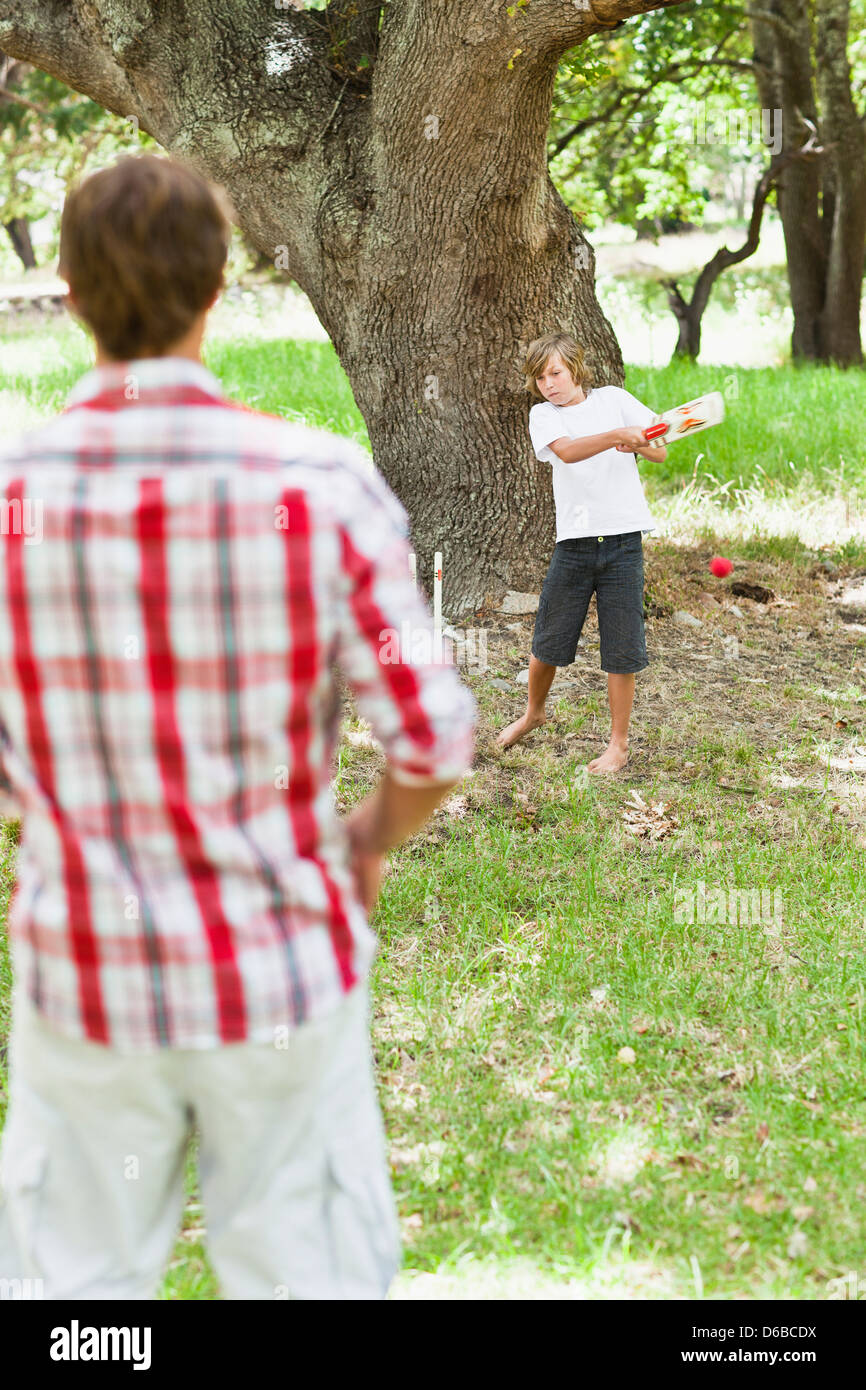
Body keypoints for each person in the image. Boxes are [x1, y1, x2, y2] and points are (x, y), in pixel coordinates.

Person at [0, 153, 477, 1300]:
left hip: (85, 971)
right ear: (219, 286)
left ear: (67, 290)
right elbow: (431, 734)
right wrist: (362, 843)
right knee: (305, 1269)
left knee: (72, 1289)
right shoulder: (316, 483)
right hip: (279, 971)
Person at [497, 332, 666, 772]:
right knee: (548, 641)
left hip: (624, 540)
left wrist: (639, 443)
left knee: (621, 647)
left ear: (575, 366)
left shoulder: (615, 399)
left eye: (555, 372)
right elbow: (569, 453)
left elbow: (660, 451)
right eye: (539, 377)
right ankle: (534, 712)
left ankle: (619, 746)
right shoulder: (543, 415)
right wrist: (616, 437)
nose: (548, 383)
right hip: (573, 544)